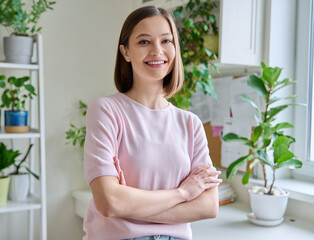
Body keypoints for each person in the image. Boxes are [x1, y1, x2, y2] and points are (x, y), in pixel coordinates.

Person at [83, 6, 222, 240]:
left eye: (166, 40)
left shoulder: (191, 124)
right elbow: (108, 202)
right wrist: (183, 192)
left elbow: (208, 206)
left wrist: (129, 205)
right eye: (144, 42)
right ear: (125, 52)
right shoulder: (106, 110)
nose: (157, 51)